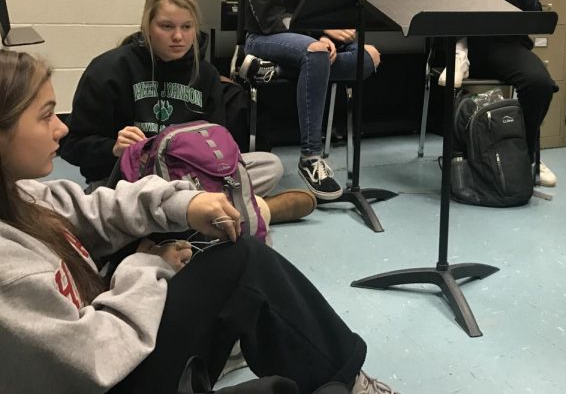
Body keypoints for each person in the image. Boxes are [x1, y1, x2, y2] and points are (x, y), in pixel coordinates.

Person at [0, 50, 398, 394]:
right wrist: (149, 265)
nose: (61, 127)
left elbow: (96, 208)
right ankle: (345, 376)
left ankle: (335, 373)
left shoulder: (23, 196)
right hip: (107, 369)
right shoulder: (8, 272)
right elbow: (94, 357)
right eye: (46, 116)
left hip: (111, 339)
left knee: (226, 238)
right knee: (241, 265)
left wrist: (185, 203)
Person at [60, 0, 316, 225]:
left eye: (187, 27)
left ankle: (183, 216)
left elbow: (219, 141)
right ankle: (252, 210)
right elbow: (72, 146)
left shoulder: (205, 74)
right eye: (166, 26)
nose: (178, 37)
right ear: (147, 26)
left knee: (270, 165)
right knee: (122, 198)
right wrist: (113, 148)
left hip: (188, 177)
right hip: (127, 179)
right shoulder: (109, 69)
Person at [234, 0, 380, 201]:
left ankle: (285, 68)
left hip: (307, 44)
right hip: (262, 38)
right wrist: (321, 33)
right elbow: (270, 23)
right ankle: (310, 157)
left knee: (367, 58)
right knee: (314, 53)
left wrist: (326, 35)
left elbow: (324, 11)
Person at [437, 0, 558, 187]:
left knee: (540, 84)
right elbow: (437, 9)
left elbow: (533, 17)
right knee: (450, 74)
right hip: (466, 46)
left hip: (507, 46)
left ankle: (526, 153)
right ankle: (462, 153)